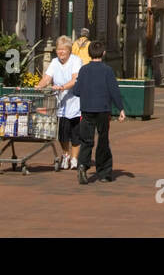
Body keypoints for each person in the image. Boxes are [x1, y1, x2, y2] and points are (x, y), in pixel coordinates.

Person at [74, 41, 126, 184]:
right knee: (103, 140)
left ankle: (83, 165)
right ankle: (104, 173)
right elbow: (114, 90)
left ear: (89, 54)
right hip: (103, 109)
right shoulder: (107, 70)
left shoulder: (83, 70)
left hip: (86, 109)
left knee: (86, 140)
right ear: (103, 53)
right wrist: (120, 108)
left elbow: (76, 91)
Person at [38, 35, 83, 169]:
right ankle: (66, 155)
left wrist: (63, 87)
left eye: (63, 50)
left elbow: (75, 79)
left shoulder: (76, 61)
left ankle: (74, 158)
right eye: (58, 49)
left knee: (75, 133)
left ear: (69, 50)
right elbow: (47, 77)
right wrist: (39, 86)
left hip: (74, 102)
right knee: (62, 133)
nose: (60, 52)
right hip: (60, 103)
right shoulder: (54, 62)